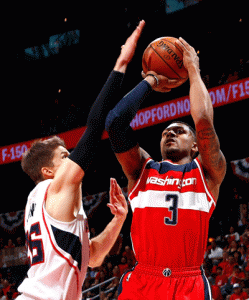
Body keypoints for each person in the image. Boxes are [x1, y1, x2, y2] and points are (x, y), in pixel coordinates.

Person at [16, 20, 145, 300]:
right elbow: (96, 125)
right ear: (48, 170)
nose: (72, 159)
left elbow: (94, 256)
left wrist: (118, 219)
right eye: (64, 156)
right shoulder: (54, 188)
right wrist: (121, 64)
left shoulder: (50, 207)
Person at [105, 37, 227, 299]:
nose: (170, 133)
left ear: (196, 145)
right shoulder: (142, 170)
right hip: (143, 280)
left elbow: (204, 120)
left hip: (188, 282)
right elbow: (114, 122)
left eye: (180, 131)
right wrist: (151, 80)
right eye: (165, 132)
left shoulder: (206, 173)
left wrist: (193, 69)